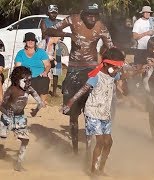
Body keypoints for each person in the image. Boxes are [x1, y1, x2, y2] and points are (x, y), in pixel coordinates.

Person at [45, 1, 114, 154]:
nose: (92, 18)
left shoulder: (101, 27)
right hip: (74, 69)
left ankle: (90, 147)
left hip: (91, 69)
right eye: (89, 14)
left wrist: (116, 64)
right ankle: (75, 149)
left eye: (95, 15)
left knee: (91, 110)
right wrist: (68, 34)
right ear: (83, 14)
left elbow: (111, 48)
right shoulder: (73, 20)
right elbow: (49, 31)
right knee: (72, 113)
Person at [61, 48, 124, 176]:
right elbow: (83, 90)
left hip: (105, 113)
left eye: (118, 68)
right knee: (100, 142)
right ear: (105, 64)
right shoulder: (96, 76)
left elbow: (125, 74)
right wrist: (70, 103)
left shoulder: (114, 74)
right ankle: (93, 170)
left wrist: (140, 69)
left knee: (109, 142)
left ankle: (101, 168)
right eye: (115, 67)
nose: (117, 70)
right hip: (93, 112)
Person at [0, 66, 45, 171]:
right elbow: (1, 106)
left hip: (20, 118)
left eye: (30, 80)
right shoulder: (11, 90)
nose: (29, 83)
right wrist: (6, 112)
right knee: (2, 136)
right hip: (7, 117)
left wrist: (36, 111)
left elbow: (40, 102)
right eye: (26, 81)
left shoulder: (29, 89)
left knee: (25, 140)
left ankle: (18, 163)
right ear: (17, 80)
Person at [15, 32, 51, 105]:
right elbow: (17, 67)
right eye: (28, 40)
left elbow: (48, 65)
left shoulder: (41, 52)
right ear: (25, 42)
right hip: (26, 78)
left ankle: (42, 102)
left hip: (39, 76)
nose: (30, 42)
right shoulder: (20, 53)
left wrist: (45, 72)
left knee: (45, 80)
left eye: (32, 40)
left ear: (35, 42)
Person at [40, 4, 63, 97]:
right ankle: (44, 88)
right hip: (47, 46)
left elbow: (62, 35)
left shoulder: (59, 22)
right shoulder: (44, 21)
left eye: (55, 13)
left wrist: (57, 35)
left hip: (57, 46)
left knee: (57, 68)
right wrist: (56, 34)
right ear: (48, 13)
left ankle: (54, 91)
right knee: (46, 66)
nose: (54, 14)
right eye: (52, 12)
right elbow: (45, 33)